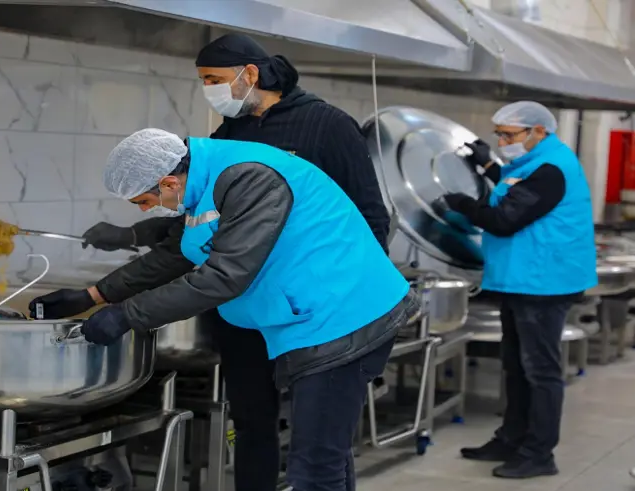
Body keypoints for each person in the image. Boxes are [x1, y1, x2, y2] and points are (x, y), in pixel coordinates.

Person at [77, 33, 389, 491]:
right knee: (252, 423)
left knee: (318, 450)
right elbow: (194, 231)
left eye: (213, 79)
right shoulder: (228, 136)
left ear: (250, 74)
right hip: (253, 307)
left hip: (321, 310)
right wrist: (106, 278)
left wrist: (350, 297)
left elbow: (368, 215)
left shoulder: (326, 126)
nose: (209, 90)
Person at [31, 129, 417, 491]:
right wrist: (93, 296)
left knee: (315, 464)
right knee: (325, 456)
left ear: (168, 182)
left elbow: (223, 277)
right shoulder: (204, 181)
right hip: (316, 319)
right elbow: (176, 255)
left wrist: (127, 315)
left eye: (144, 202)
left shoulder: (250, 178)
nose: (147, 210)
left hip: (343, 318)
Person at [440, 101, 597, 479]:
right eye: (499, 135)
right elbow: (514, 186)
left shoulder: (552, 169)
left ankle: (540, 453)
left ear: (539, 131)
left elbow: (505, 218)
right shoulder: (535, 163)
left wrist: (462, 204)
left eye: (509, 135)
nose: (503, 141)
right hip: (522, 279)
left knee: (539, 370)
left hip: (543, 283)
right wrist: (488, 165)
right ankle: (511, 438)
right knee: (516, 366)